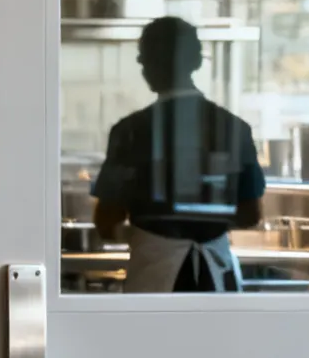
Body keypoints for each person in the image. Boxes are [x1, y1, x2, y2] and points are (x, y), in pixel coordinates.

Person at [91, 16, 266, 292]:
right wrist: (203, 226)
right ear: (196, 62)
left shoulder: (131, 131)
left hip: (153, 276)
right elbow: (250, 213)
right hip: (214, 276)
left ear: (147, 63)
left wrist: (149, 234)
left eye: (144, 59)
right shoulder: (234, 128)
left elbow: (106, 220)